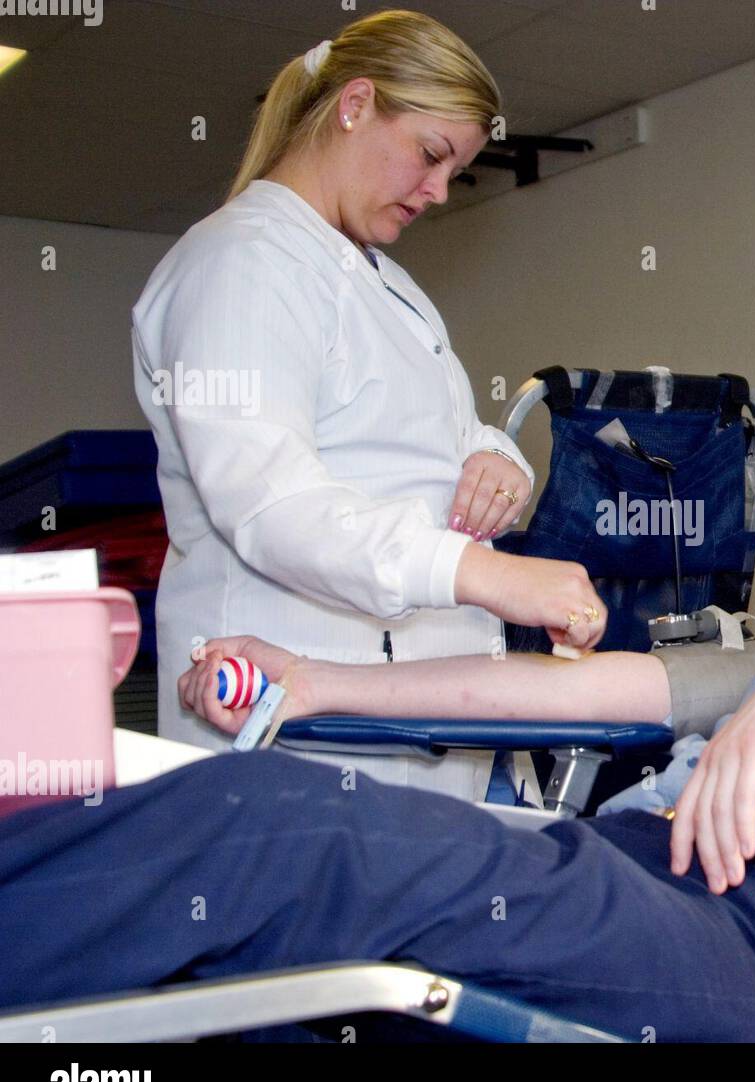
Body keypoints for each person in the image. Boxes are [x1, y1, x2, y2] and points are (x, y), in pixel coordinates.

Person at [0, 382, 755, 1042]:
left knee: (280, 837)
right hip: (615, 866)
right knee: (260, 936)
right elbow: (580, 688)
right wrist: (318, 685)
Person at [131, 10, 605, 796]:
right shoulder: (242, 265)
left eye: (455, 171)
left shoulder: (385, 283)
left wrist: (497, 457)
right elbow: (272, 502)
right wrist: (482, 573)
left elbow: (425, 438)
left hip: (420, 731)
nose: (438, 191)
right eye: (430, 155)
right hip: (298, 749)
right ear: (354, 105)